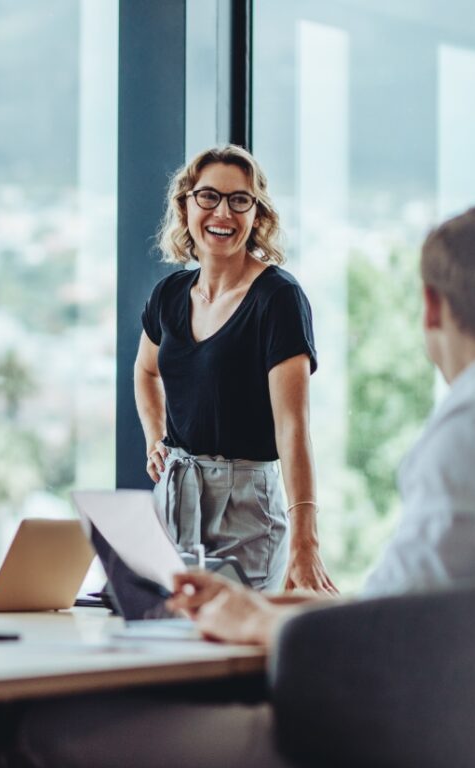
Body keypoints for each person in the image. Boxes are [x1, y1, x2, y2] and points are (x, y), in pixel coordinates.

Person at [14, 204, 475, 768]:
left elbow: (387, 636)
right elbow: (421, 604)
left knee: (47, 732)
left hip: (376, 741)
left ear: (432, 307)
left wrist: (256, 623)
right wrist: (261, 607)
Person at [134, 145, 335, 594]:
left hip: (246, 505)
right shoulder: (168, 295)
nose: (222, 212)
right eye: (208, 196)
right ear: (185, 206)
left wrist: (306, 539)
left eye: (239, 200)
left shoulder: (278, 299)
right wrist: (154, 439)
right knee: (166, 640)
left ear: (257, 214)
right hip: (174, 496)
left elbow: (293, 427)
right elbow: (146, 372)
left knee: (234, 651)